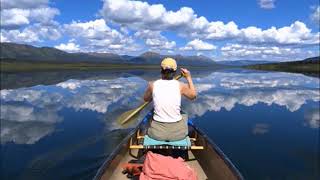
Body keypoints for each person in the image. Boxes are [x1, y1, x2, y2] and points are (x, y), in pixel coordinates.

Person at [143, 57, 197, 141]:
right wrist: (189, 78)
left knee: (150, 116)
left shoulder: (152, 85)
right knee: (184, 115)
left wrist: (152, 94)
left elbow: (146, 99)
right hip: (179, 135)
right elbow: (193, 96)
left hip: (156, 135)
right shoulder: (181, 85)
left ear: (161, 70)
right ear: (175, 72)